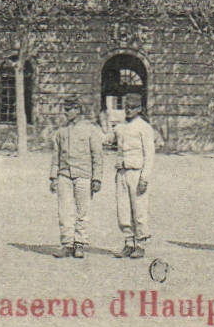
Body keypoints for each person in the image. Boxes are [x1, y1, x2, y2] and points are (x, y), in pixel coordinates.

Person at [48, 97, 104, 258]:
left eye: (69, 109)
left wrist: (97, 178)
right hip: (64, 175)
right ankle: (67, 244)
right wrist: (53, 178)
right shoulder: (61, 132)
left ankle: (80, 244)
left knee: (82, 211)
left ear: (78, 109)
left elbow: (97, 156)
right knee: (64, 211)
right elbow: (56, 156)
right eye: (65, 109)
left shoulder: (91, 130)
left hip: (83, 176)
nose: (66, 113)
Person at [109, 93, 156, 257]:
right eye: (126, 107)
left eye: (133, 107)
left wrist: (145, 178)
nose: (129, 110)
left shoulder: (144, 127)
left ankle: (141, 244)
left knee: (139, 209)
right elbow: (109, 141)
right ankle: (129, 242)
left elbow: (149, 155)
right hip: (121, 172)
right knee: (123, 210)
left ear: (140, 109)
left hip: (136, 173)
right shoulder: (120, 127)